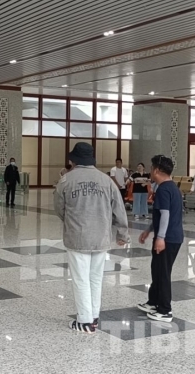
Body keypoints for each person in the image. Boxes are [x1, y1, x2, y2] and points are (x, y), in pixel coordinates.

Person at [55, 143, 129, 333]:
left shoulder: (66, 180)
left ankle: (85, 321)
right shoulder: (106, 180)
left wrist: (71, 222)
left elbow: (59, 208)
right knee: (96, 278)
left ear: (74, 160)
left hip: (77, 237)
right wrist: (122, 234)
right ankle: (94, 316)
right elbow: (119, 209)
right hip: (101, 237)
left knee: (81, 279)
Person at [137, 155, 183, 322]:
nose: (150, 171)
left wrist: (161, 237)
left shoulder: (163, 189)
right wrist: (149, 230)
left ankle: (165, 310)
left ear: (156, 170)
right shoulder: (172, 187)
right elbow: (161, 215)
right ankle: (153, 302)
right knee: (157, 270)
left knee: (162, 273)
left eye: (151, 168)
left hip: (168, 238)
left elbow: (165, 215)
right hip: (172, 236)